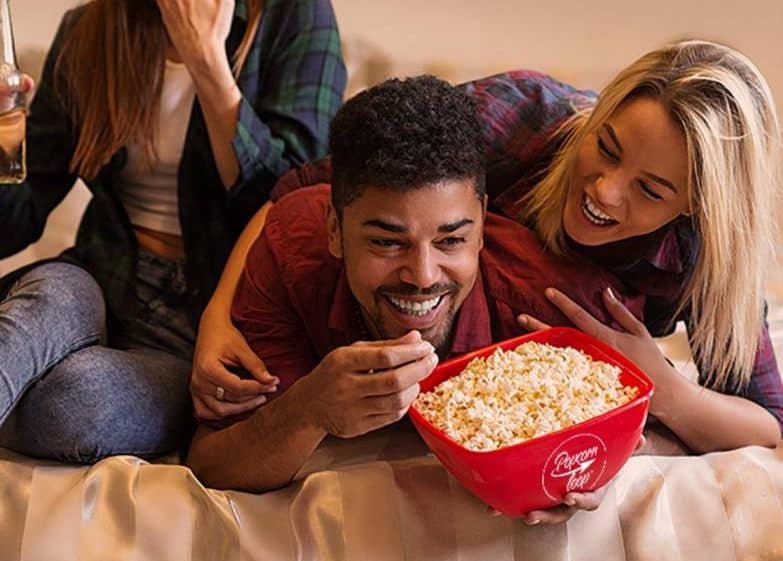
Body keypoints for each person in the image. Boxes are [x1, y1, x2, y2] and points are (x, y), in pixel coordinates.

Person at [197, 40, 783, 455]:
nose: (604, 190)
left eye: (650, 189)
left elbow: (766, 424)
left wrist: (664, 387)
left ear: (696, 207)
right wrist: (217, 314)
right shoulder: (526, 116)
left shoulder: (707, 256)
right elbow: (310, 189)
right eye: (605, 147)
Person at [187, 75, 646, 524]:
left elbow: (656, 422)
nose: (422, 277)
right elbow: (211, 463)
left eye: (450, 241)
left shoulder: (555, 303)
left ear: (482, 224)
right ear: (334, 230)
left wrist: (605, 466)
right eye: (387, 243)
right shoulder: (292, 251)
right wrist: (309, 409)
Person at [0, 0, 346, 463]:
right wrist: (4, 144)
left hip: (212, 320)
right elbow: (12, 227)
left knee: (77, 403)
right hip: (103, 276)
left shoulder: (293, 16)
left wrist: (206, 60)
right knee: (42, 305)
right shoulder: (90, 27)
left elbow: (288, 207)